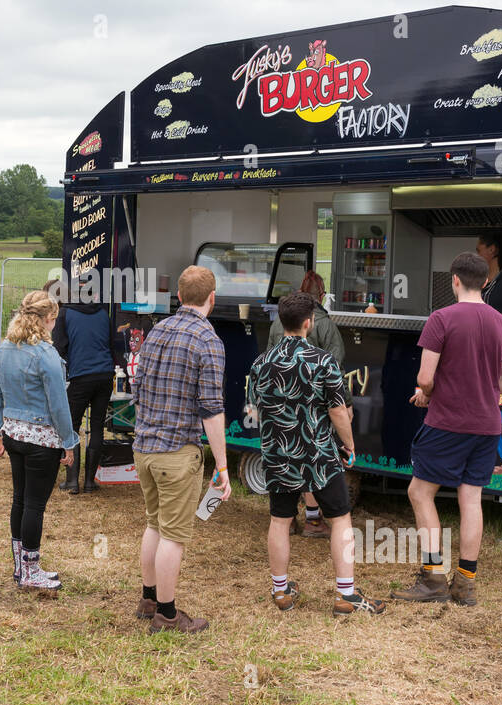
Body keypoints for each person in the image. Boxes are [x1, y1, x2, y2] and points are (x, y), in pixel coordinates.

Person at [392, 252, 502, 607]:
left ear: (455, 281)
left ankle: (433, 578)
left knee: (420, 493)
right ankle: (465, 584)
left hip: (447, 422)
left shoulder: (441, 318)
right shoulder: (501, 323)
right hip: (487, 425)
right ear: (486, 282)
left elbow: (424, 378)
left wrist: (425, 394)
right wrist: (481, 384)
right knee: (471, 498)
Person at [248, 293, 385, 616]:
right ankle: (346, 595)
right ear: (309, 322)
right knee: (340, 519)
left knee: (280, 520)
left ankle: (280, 591)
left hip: (278, 455)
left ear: (282, 322)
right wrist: (349, 445)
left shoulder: (261, 363)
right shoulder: (323, 361)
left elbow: (256, 407)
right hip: (319, 455)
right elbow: (338, 411)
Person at [131, 265, 232, 634]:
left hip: (144, 447)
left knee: (153, 523)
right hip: (178, 452)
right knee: (173, 535)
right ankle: (168, 615)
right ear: (212, 298)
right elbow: (212, 408)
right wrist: (222, 465)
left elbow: (138, 384)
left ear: (178, 296)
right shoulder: (209, 340)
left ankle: (148, 597)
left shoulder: (157, 330)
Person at [0, 291, 79, 594]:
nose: (55, 324)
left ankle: (20, 566)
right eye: (54, 319)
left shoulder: (4, 349)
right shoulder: (46, 354)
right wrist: (69, 441)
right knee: (35, 505)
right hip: (42, 440)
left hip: (14, 435)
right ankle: (31, 570)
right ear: (47, 319)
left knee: (20, 500)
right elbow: (58, 404)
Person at [266, 270, 345, 538]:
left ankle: (287, 520)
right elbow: (336, 364)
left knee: (289, 463)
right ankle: (313, 520)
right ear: (320, 297)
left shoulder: (278, 323)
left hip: (280, 415)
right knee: (311, 464)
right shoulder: (325, 324)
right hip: (315, 414)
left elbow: (267, 361)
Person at [53, 294, 123, 494]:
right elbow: (111, 344)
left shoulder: (65, 313)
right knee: (97, 427)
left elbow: (59, 348)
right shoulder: (102, 313)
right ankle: (90, 482)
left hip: (81, 376)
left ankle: (72, 481)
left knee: (72, 427)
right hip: (105, 375)